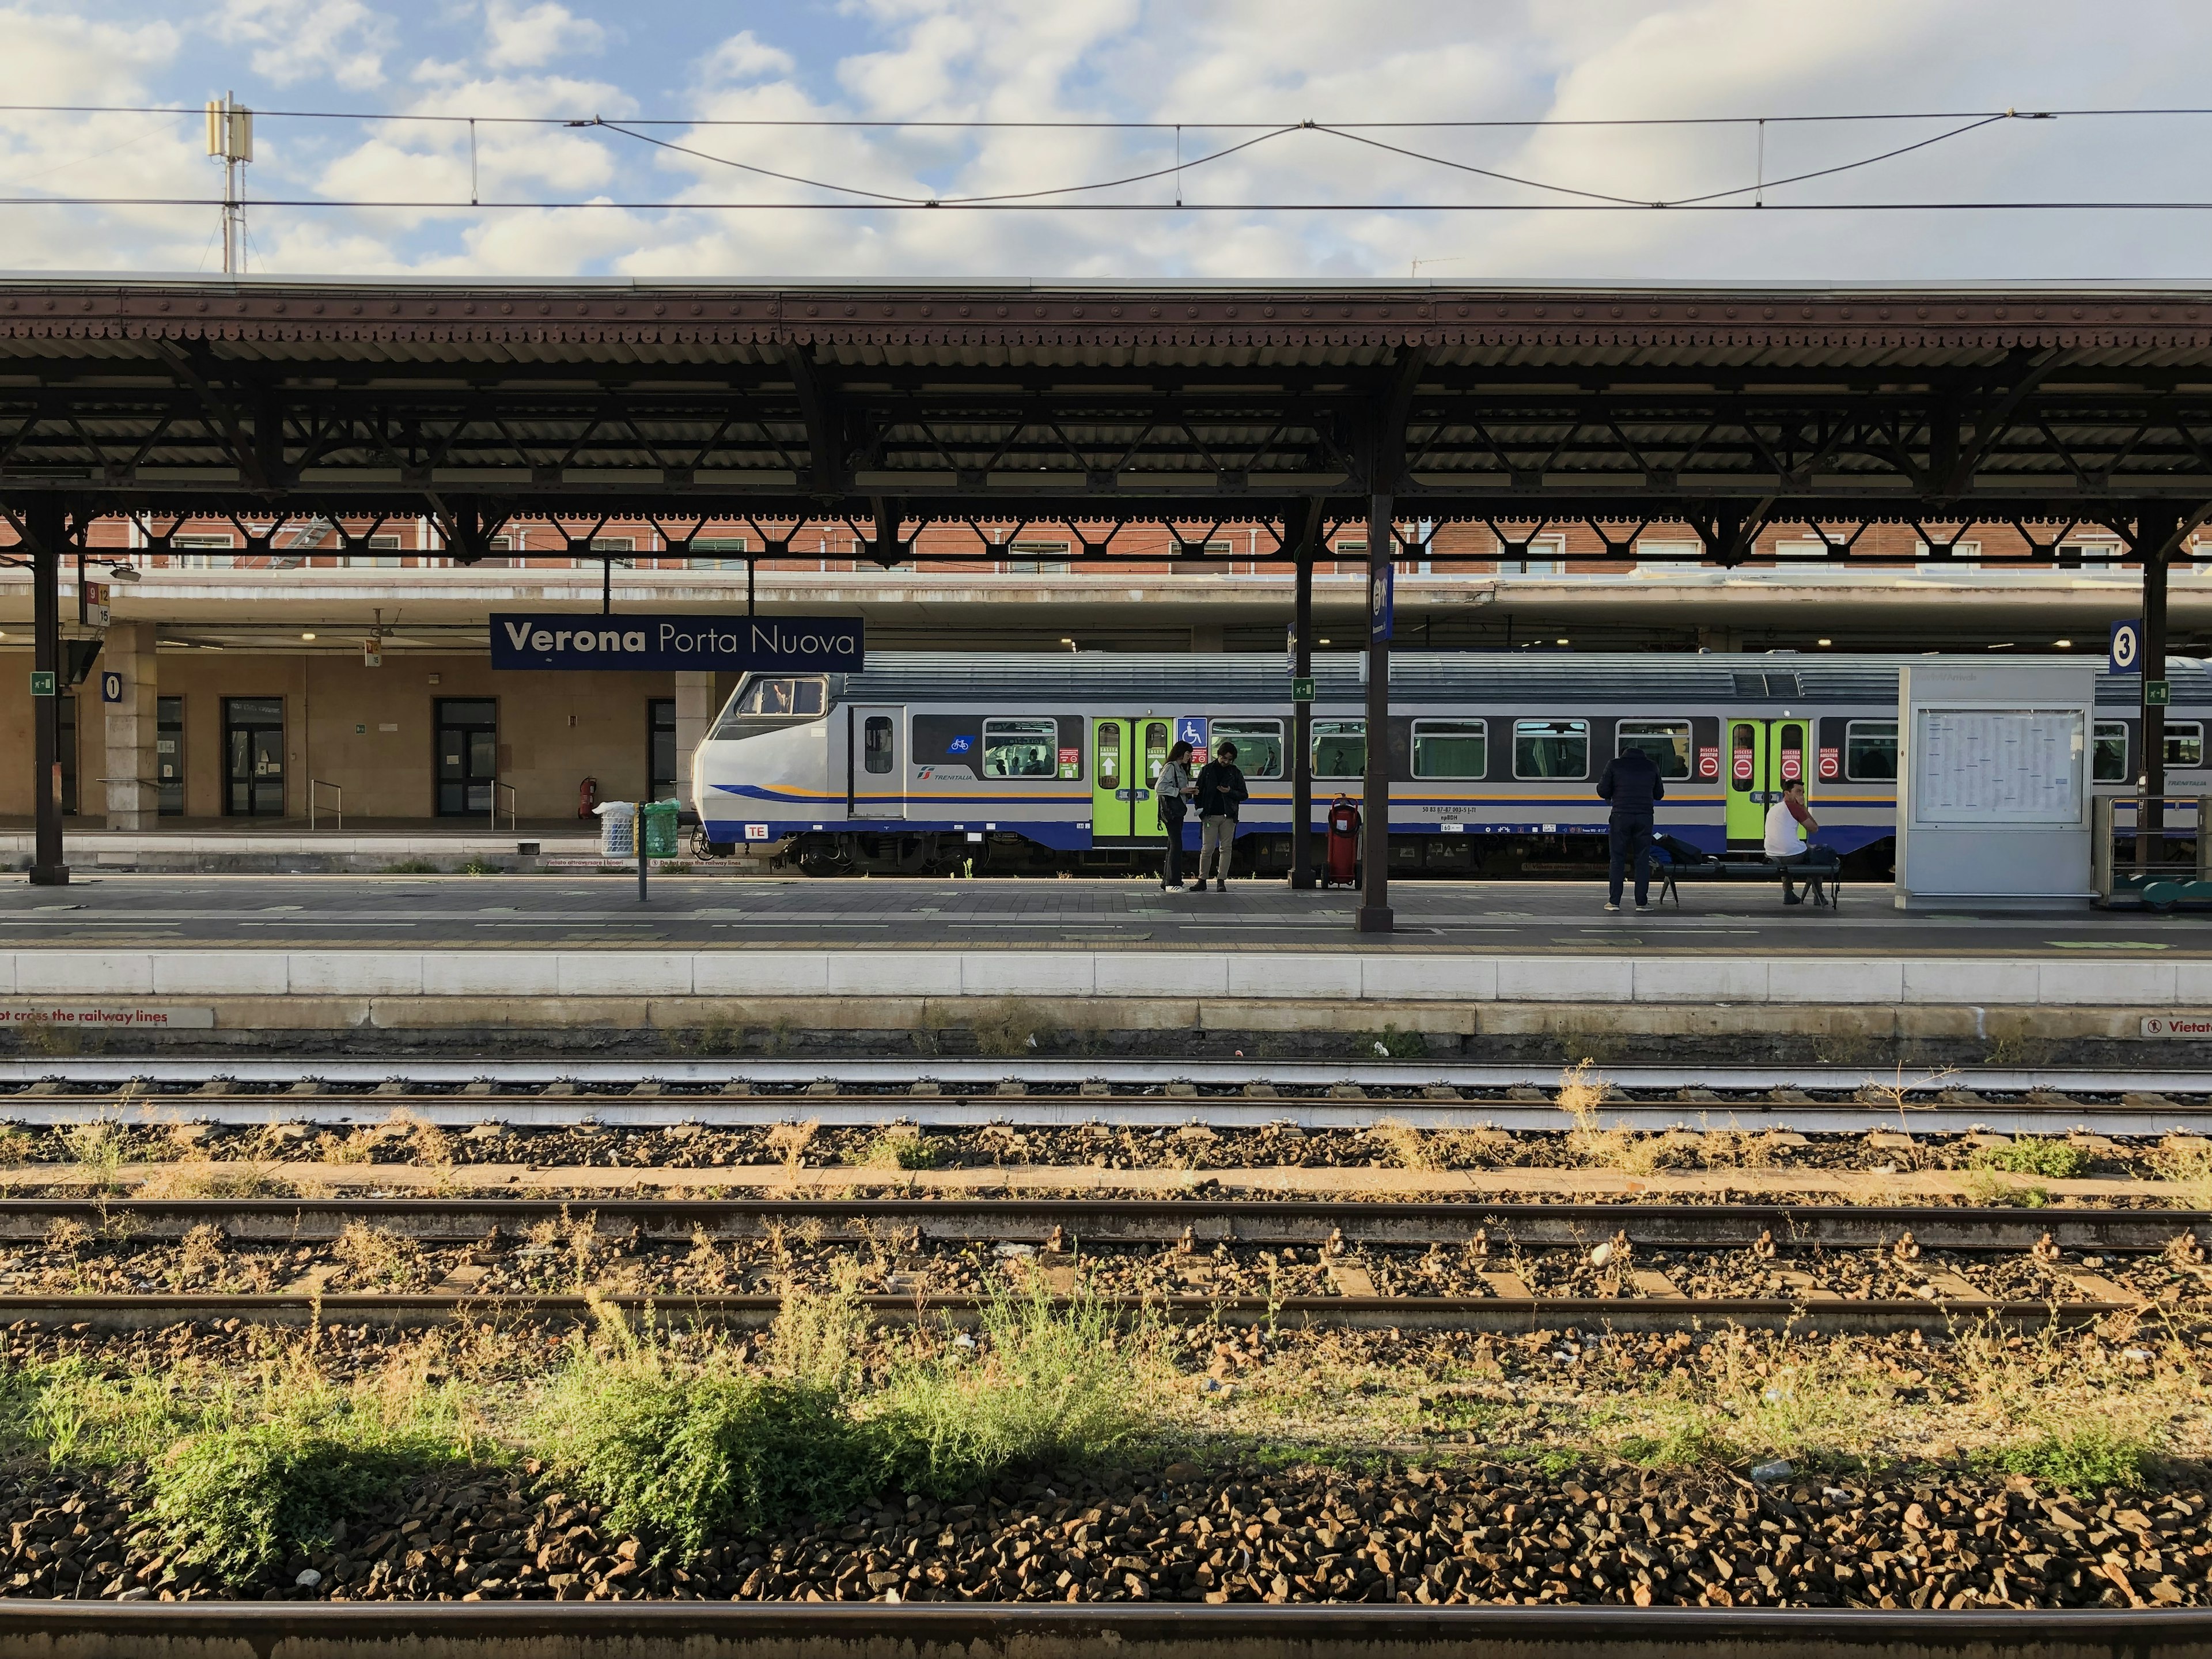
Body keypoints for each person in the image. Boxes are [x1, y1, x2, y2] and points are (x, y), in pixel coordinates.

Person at [1595, 741, 1665, 912]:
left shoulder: (1614, 764)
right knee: (1642, 860)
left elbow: (1603, 791)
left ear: (1623, 753)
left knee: (1617, 859)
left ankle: (1614, 902)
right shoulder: (1651, 766)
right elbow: (1659, 794)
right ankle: (1642, 903)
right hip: (1644, 817)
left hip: (1621, 816)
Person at [1191, 740, 1249, 892]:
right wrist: (1201, 812)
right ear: (1219, 755)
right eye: (1225, 758)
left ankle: (1221, 880)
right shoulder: (1207, 771)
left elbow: (1244, 795)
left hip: (1228, 817)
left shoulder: (1235, 772)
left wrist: (1229, 791)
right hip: (1209, 816)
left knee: (1226, 849)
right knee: (1207, 849)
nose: (1227, 762)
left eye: (1230, 760)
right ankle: (1202, 879)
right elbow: (1198, 792)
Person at [1765, 775, 1824, 906]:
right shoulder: (1794, 807)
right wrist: (1803, 807)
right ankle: (1818, 896)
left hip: (1771, 854)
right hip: (1790, 855)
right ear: (1787, 793)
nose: (1801, 795)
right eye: (1798, 792)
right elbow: (1814, 828)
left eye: (1803, 792)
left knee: (1788, 853)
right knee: (1816, 857)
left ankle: (1788, 894)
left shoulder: (1774, 808)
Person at [1152, 739, 1197, 891]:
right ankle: (1173, 883)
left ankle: (1167, 882)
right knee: (1176, 845)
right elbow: (1159, 787)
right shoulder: (1171, 767)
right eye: (1188, 753)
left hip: (1178, 811)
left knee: (1173, 845)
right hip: (1171, 812)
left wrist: (1189, 793)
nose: (1189, 757)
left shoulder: (1180, 768)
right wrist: (1180, 791)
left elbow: (1179, 788)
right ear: (1181, 752)